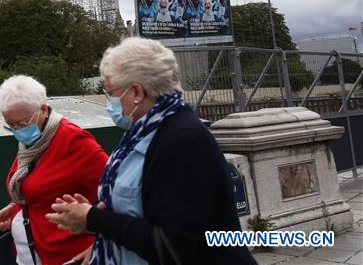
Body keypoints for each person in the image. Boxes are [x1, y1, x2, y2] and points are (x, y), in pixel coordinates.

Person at [46, 38, 255, 265]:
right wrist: (93, 214)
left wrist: (94, 219)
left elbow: (172, 246)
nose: (110, 103)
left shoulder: (183, 140)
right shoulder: (144, 131)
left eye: (110, 93)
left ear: (136, 91)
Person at [0, 75, 109, 265]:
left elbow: (117, 193)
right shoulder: (34, 142)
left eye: (21, 124)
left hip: (67, 256)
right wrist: (18, 206)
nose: (17, 131)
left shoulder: (74, 141)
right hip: (31, 254)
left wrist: (100, 243)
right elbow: (43, 185)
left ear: (43, 110)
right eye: (10, 126)